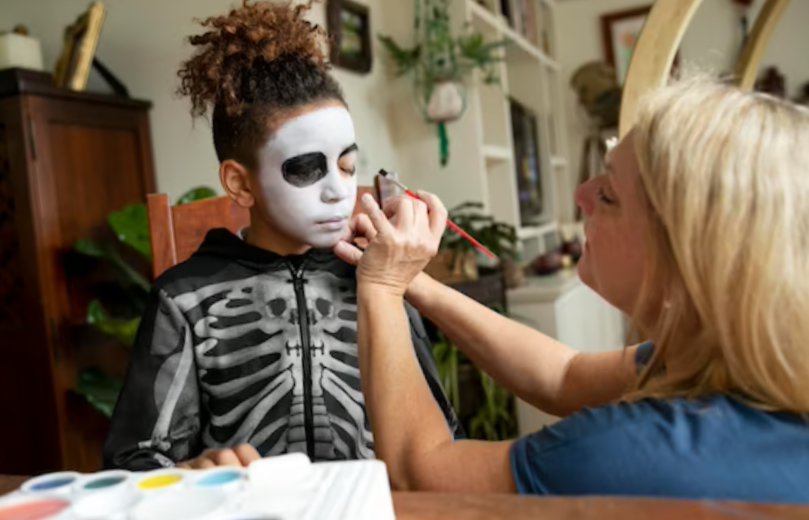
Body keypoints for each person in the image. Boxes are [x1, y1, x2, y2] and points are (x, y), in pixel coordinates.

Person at [334, 76, 809, 502]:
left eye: (608, 195)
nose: (581, 194)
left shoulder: (644, 450)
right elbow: (566, 376)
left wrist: (381, 285)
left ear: (689, 261)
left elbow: (422, 474)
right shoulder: (716, 357)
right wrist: (414, 282)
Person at [103, 0, 459, 471]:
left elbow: (443, 435)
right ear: (240, 183)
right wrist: (191, 472)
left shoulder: (382, 277)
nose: (338, 189)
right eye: (307, 169)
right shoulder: (184, 298)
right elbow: (133, 460)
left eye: (348, 164)